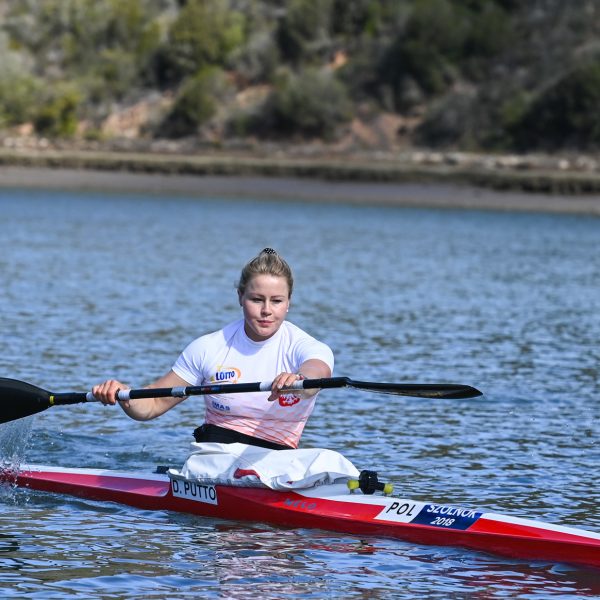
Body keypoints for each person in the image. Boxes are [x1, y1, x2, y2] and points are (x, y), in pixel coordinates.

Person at [92, 248, 334, 450]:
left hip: (278, 461)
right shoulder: (208, 348)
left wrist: (301, 381)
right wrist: (123, 394)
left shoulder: (306, 346)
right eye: (257, 299)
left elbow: (317, 371)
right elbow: (152, 405)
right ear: (240, 297)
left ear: (289, 302)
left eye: (277, 301)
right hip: (217, 457)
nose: (267, 310)